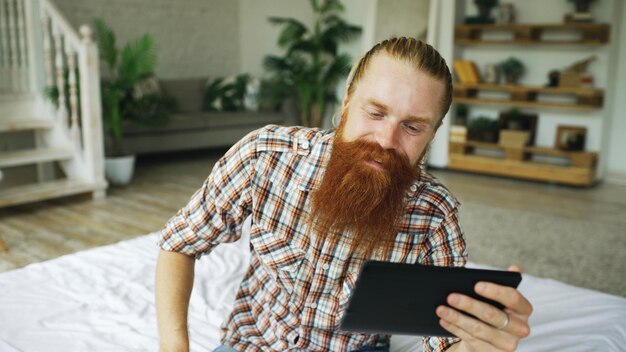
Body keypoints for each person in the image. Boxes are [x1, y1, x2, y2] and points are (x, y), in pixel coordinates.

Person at [155, 37, 532, 352]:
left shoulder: (436, 216)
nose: (387, 141)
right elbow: (180, 243)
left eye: (413, 127)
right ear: (348, 101)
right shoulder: (264, 155)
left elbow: (444, 341)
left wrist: (478, 344)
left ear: (432, 136)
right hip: (253, 343)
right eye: (376, 113)